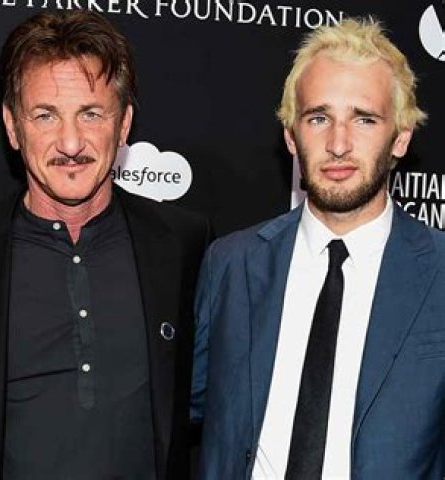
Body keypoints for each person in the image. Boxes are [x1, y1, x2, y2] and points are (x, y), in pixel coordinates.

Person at [0, 10, 212, 480]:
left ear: (124, 124)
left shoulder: (183, 245)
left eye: (91, 114)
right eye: (45, 116)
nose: (70, 143)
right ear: (13, 126)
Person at [190, 18, 443, 479]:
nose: (338, 144)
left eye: (364, 119)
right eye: (318, 118)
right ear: (291, 135)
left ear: (401, 137)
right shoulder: (231, 264)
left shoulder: (440, 273)